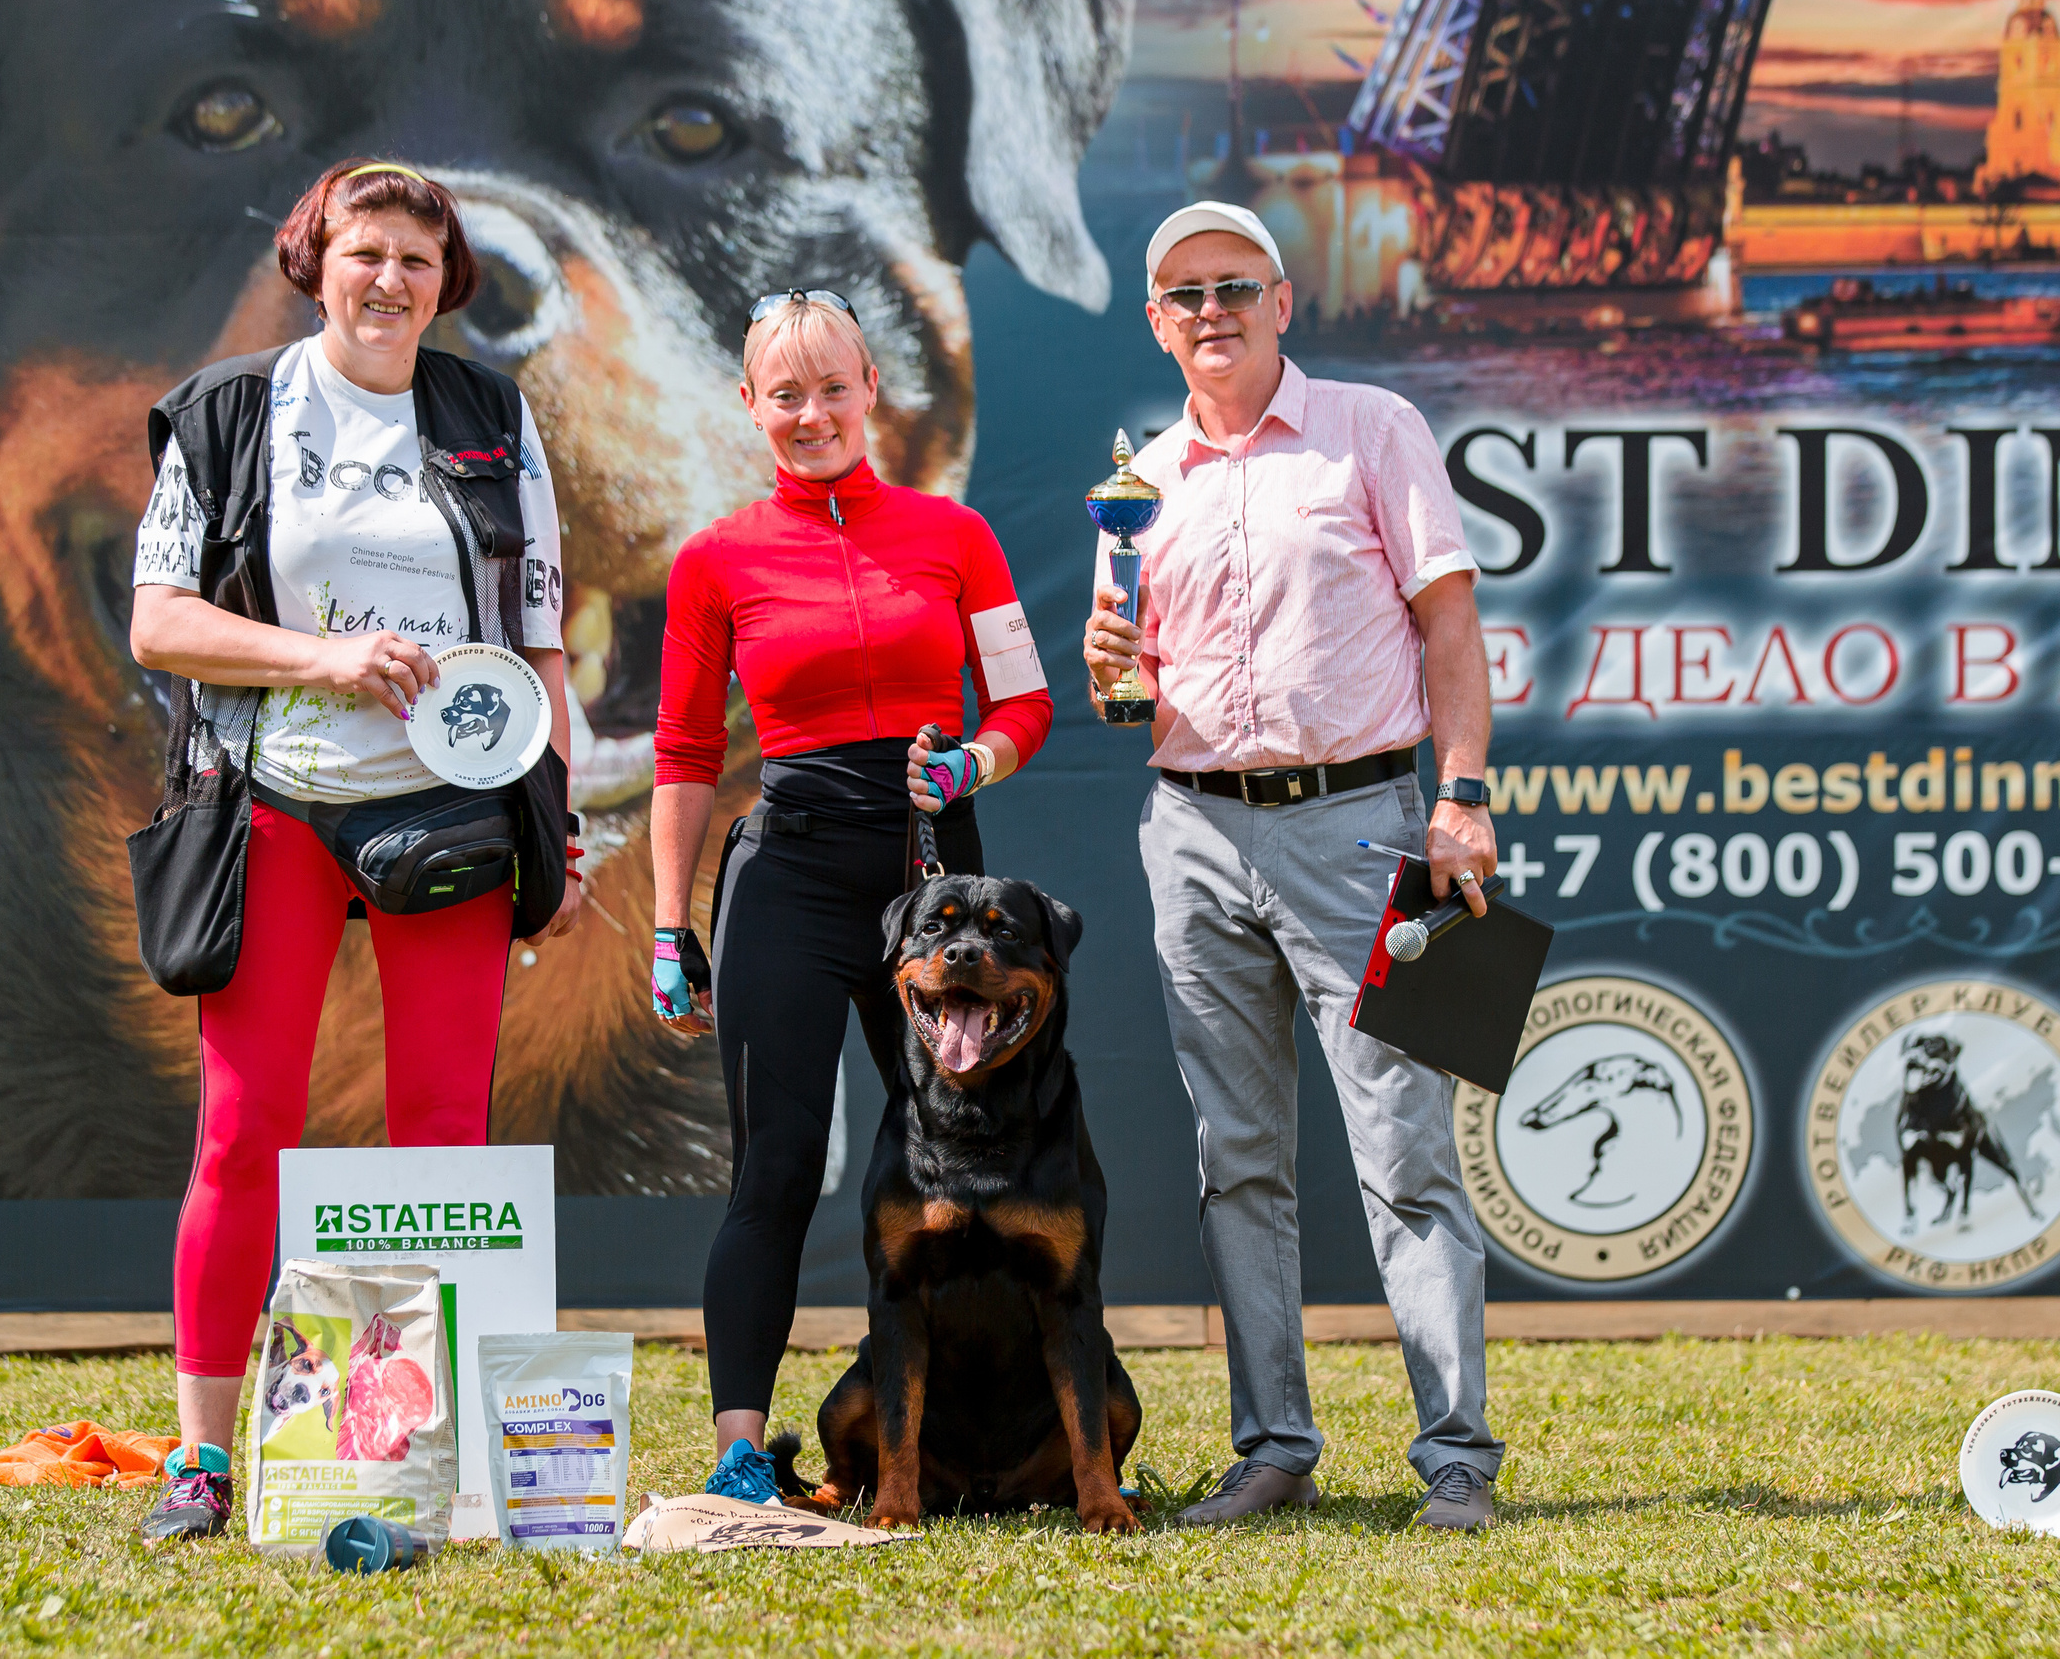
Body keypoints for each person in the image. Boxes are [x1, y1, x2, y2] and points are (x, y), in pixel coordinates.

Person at [125, 160, 582, 1541]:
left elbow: (543, 638)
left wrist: (550, 815)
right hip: (275, 798)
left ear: (449, 285)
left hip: (448, 812)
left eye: (418, 261)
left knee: (439, 1138)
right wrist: (322, 659)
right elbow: (160, 622)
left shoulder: (493, 413)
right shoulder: (226, 408)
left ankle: (408, 1455)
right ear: (313, 261)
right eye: (365, 252)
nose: (390, 280)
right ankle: (202, 1463)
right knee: (242, 1133)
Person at [1081, 202, 1505, 1531]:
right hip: (1192, 828)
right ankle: (1273, 1446)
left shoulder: (1374, 428)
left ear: (1281, 303)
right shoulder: (1139, 483)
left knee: (1408, 1151)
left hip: (1367, 824)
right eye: (1186, 294)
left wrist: (1468, 796)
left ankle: (1455, 1458)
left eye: (1235, 287)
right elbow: (1122, 700)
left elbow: (1450, 625)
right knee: (1237, 1155)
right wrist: (1110, 679)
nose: (1212, 310)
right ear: (1157, 322)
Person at [650, 291, 1055, 1501]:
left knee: (958, 1168)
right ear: (750, 406)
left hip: (934, 883)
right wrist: (671, 926)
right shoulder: (714, 556)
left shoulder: (956, 533)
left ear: (873, 390)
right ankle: (738, 1450)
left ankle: (981, 1439)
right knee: (772, 1168)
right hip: (791, 875)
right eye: (787, 393)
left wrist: (968, 764)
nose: (812, 412)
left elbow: (1026, 705)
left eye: (834, 387)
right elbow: (678, 754)